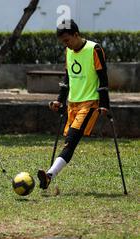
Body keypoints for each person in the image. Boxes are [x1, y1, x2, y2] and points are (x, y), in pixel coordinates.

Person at [38, 19, 110, 189]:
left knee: (71, 140)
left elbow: (103, 77)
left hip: (90, 103)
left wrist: (105, 104)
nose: (66, 45)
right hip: (72, 104)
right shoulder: (68, 51)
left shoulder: (94, 49)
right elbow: (67, 77)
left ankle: (49, 175)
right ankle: (49, 177)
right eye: (63, 42)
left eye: (67, 40)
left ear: (76, 34)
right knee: (69, 142)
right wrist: (59, 100)